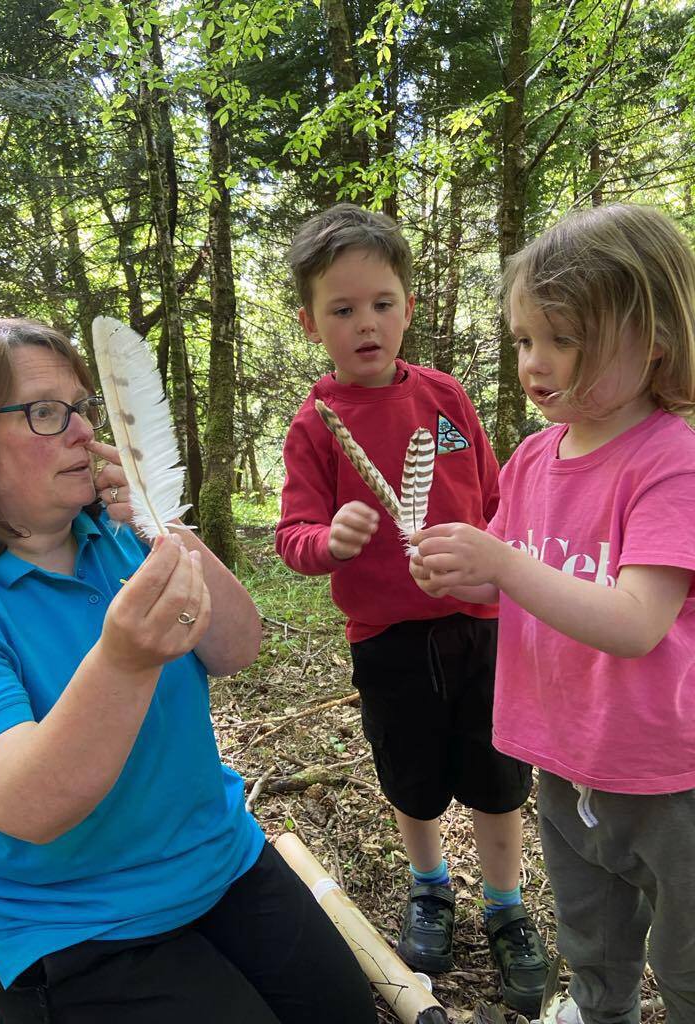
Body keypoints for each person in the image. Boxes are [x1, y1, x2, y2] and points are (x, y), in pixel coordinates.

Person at [0, 318, 377, 1024]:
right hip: (68, 919)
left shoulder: (114, 533)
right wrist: (124, 659)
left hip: (216, 856)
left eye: (81, 407)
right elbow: (26, 804)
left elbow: (235, 648)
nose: (81, 432)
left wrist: (163, 524)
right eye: (46, 412)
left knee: (344, 1012)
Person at [410, 204, 695, 1024]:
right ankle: (600, 1009)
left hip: (662, 771)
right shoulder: (537, 455)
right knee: (589, 926)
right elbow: (512, 582)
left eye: (563, 339)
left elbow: (638, 620)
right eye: (525, 339)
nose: (536, 363)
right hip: (565, 752)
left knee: (685, 950)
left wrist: (500, 563)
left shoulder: (669, 462)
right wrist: (463, 575)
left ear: (655, 338)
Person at [275, 203, 549, 1016]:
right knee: (412, 770)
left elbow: (499, 499)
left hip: (483, 624)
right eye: (343, 309)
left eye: (382, 303)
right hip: (388, 638)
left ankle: (505, 905)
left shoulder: (444, 396)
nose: (367, 324)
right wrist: (333, 540)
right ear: (310, 323)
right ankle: (430, 886)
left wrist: (495, 559)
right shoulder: (315, 424)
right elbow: (292, 535)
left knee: (498, 774)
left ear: (409, 306)